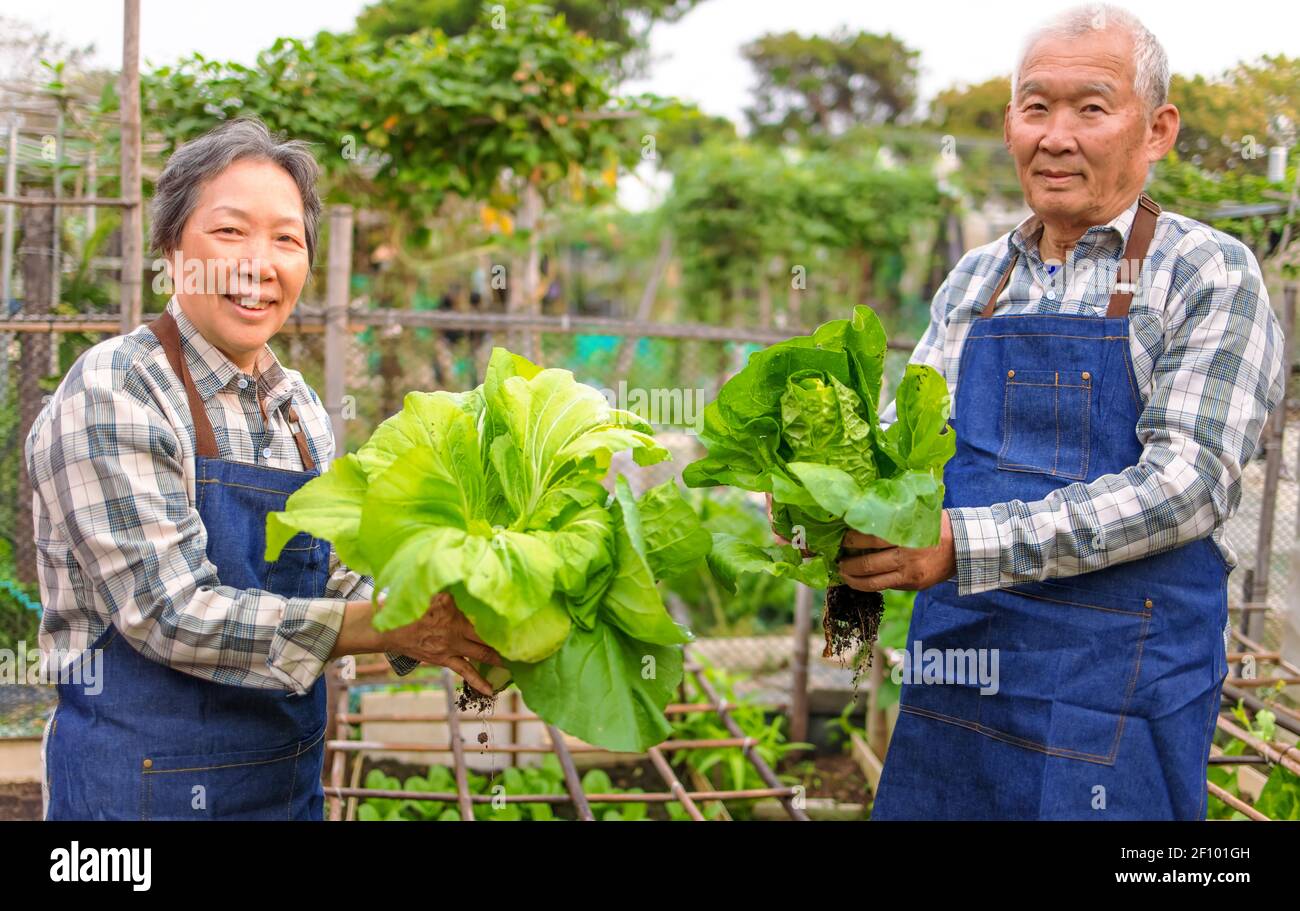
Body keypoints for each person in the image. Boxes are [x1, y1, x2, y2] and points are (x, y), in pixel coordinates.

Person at [830, 5, 1287, 819]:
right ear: (1009, 124)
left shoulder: (1208, 272)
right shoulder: (977, 278)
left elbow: (1186, 483)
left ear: (1156, 130)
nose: (1056, 135)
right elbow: (910, 445)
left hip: (1119, 681)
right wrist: (824, 493)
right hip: (963, 667)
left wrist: (961, 544)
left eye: (1092, 107)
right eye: (1036, 108)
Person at [27, 118, 502, 820]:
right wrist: (381, 627)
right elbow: (171, 611)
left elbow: (340, 571)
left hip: (283, 791)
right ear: (171, 250)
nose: (261, 262)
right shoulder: (116, 388)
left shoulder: (299, 408)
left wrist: (454, 614)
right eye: (229, 232)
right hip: (135, 796)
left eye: (286, 238)